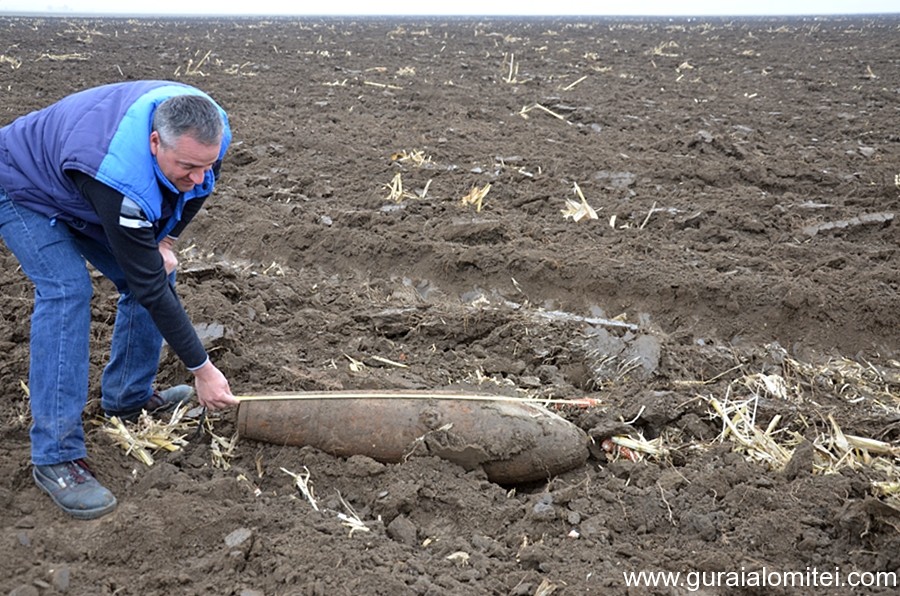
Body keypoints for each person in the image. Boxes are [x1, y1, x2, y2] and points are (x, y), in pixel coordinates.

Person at [0, 80, 241, 520]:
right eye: (186, 165)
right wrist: (202, 369)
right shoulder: (118, 178)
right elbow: (147, 285)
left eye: (206, 165)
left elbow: (193, 192)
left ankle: (128, 399)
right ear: (154, 142)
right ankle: (55, 458)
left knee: (155, 271)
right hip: (20, 181)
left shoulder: (209, 137)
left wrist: (165, 237)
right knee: (67, 289)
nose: (199, 176)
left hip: (75, 183)